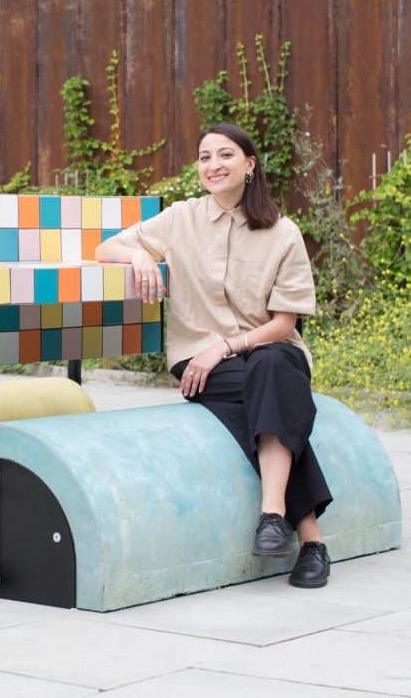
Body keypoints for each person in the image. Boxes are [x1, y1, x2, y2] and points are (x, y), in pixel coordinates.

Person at [95, 122, 333, 588]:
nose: (213, 165)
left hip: (269, 351)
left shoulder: (283, 233)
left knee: (269, 371)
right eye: (205, 157)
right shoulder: (180, 219)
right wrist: (140, 257)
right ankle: (309, 537)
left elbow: (284, 325)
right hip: (198, 359)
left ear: (249, 165)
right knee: (269, 397)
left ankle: (274, 516)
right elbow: (108, 246)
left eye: (225, 155)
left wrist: (224, 346)